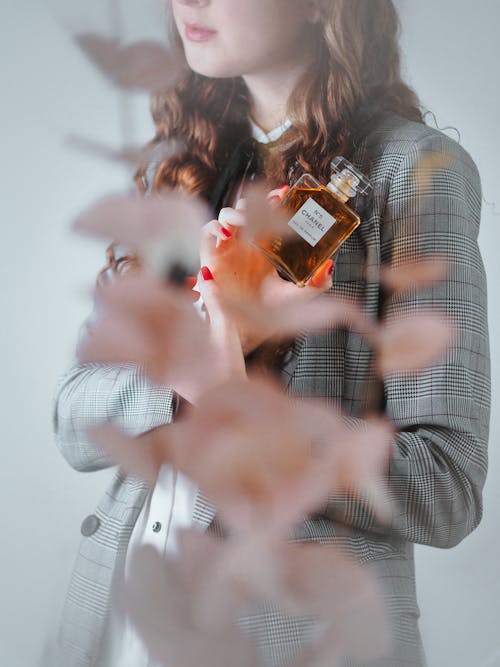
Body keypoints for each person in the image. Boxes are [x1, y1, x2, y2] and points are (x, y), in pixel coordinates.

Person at [53, 0, 490, 665]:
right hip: (124, 621)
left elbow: (445, 488)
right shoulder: (177, 166)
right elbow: (72, 416)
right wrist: (181, 384)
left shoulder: (414, 173)